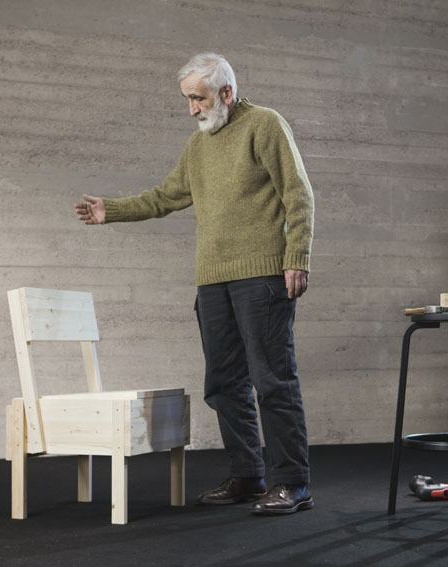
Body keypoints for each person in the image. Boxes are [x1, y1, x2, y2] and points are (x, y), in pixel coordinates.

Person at [75, 53, 314, 516]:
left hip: (262, 277)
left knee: (272, 380)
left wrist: (297, 258)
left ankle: (292, 481)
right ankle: (248, 475)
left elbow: (298, 193)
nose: (192, 109)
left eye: (198, 98)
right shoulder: (199, 145)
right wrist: (112, 210)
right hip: (213, 281)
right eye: (187, 99)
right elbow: (166, 197)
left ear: (226, 92)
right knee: (223, 383)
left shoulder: (265, 125)